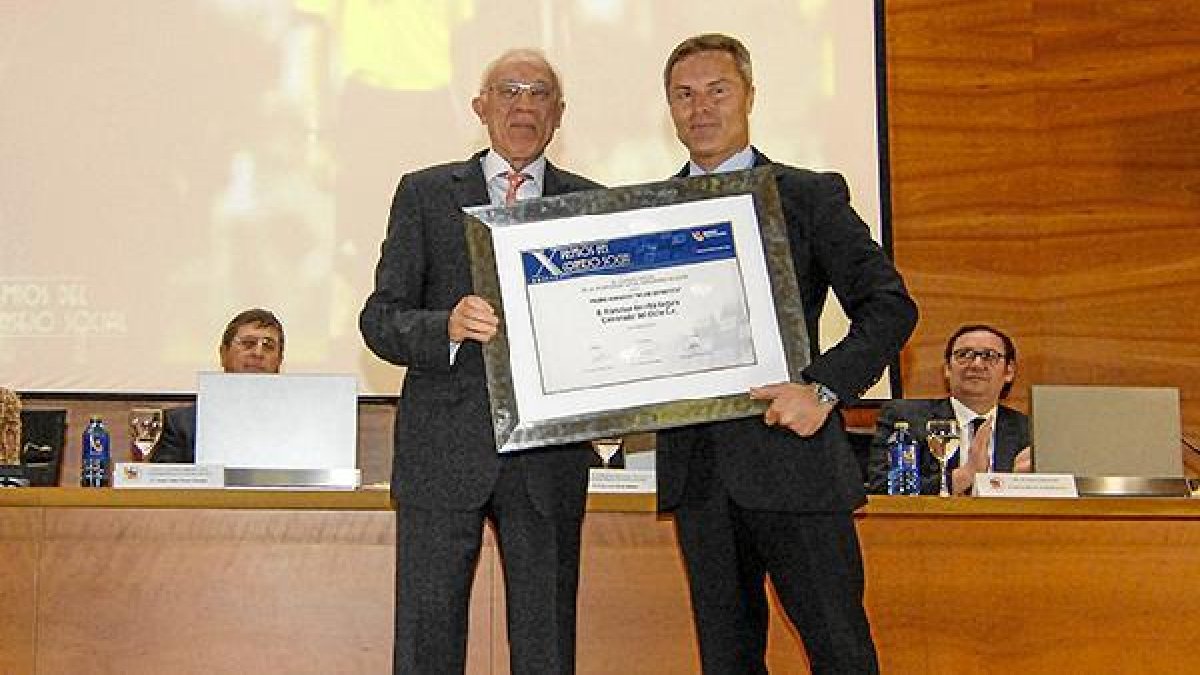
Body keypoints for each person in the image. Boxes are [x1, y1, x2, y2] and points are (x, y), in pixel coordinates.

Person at [654, 34, 917, 674]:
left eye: (718, 90)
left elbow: (891, 306)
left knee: (840, 654)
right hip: (699, 479)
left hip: (795, 465)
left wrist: (823, 390)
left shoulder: (807, 195)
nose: (701, 109)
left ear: (749, 95)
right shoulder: (643, 214)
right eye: (684, 95)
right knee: (727, 662)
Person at [359, 49, 601, 674]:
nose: (524, 105)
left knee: (547, 647)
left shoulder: (593, 204)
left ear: (558, 114)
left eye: (539, 92)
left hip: (549, 460)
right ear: (481, 107)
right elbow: (380, 319)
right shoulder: (426, 194)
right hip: (444, 454)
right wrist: (446, 326)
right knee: (427, 641)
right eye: (509, 91)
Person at [867, 324, 1032, 495]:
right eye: (964, 355)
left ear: (1009, 371)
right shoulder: (905, 419)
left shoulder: (1029, 431)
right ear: (947, 368)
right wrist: (963, 477)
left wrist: (1021, 483)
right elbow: (882, 486)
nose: (976, 364)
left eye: (989, 356)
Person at [152, 307, 285, 463]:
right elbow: (165, 485)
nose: (258, 353)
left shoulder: (298, 421)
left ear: (279, 360)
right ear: (223, 354)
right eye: (248, 343)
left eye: (268, 346)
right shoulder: (179, 425)